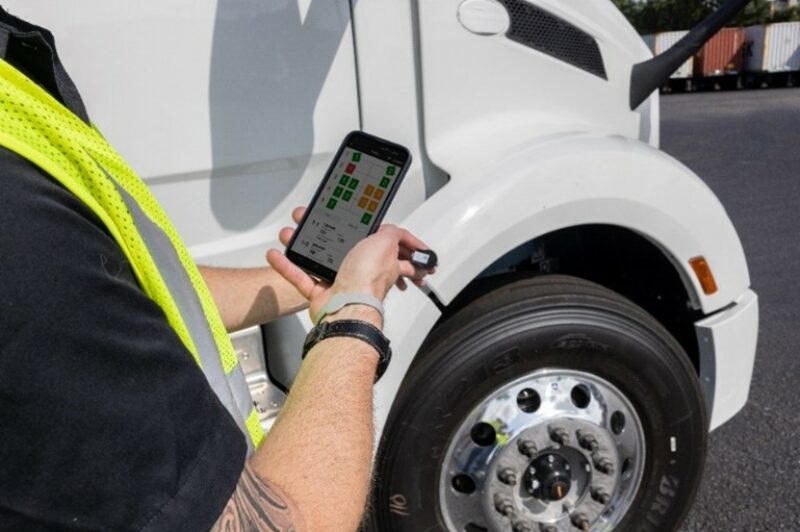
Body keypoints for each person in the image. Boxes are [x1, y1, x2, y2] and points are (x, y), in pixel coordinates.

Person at [0, 7, 431, 531]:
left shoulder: (13, 79)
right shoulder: (16, 212)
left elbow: (114, 291)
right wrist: (355, 311)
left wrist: (323, 283)